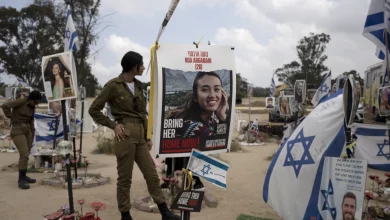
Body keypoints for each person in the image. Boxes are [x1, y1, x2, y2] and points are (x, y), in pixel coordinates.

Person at [89, 51, 181, 220]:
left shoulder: (138, 86)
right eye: (141, 64)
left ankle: (165, 212)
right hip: (125, 134)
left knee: (152, 175)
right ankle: (125, 214)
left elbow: (142, 113)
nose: (143, 67)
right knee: (125, 178)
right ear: (133, 67)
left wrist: (147, 136)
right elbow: (93, 109)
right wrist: (113, 125)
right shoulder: (113, 85)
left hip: (139, 134)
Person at [1, 90, 42, 190]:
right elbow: (5, 106)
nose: (36, 105)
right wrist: (10, 116)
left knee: (26, 154)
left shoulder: (32, 107)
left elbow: (31, 121)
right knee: (24, 154)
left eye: (37, 103)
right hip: (17, 130)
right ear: (30, 99)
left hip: (27, 130)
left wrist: (32, 136)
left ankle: (24, 176)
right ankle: (21, 180)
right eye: (35, 102)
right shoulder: (21, 101)